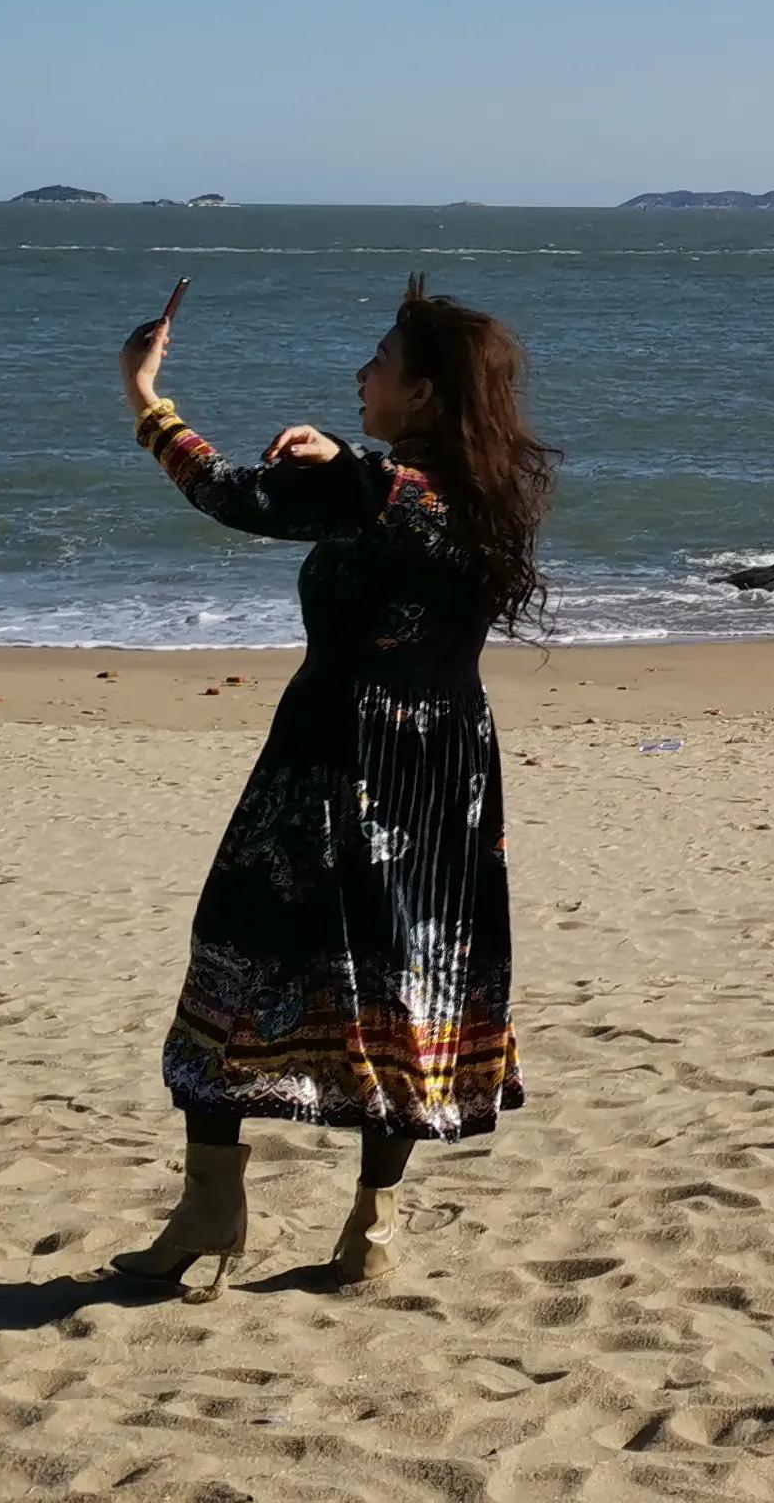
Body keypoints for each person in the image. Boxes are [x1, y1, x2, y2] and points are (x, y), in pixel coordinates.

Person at [107, 273, 548, 1298]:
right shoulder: (486, 496)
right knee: (410, 982)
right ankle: (373, 1233)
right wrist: (341, 458)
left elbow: (226, 491)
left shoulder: (371, 490)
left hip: (334, 761)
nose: (362, 374)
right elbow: (372, 495)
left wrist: (142, 393)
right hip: (445, 775)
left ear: (426, 394)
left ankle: (214, 1208)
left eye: (380, 363)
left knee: (231, 954)